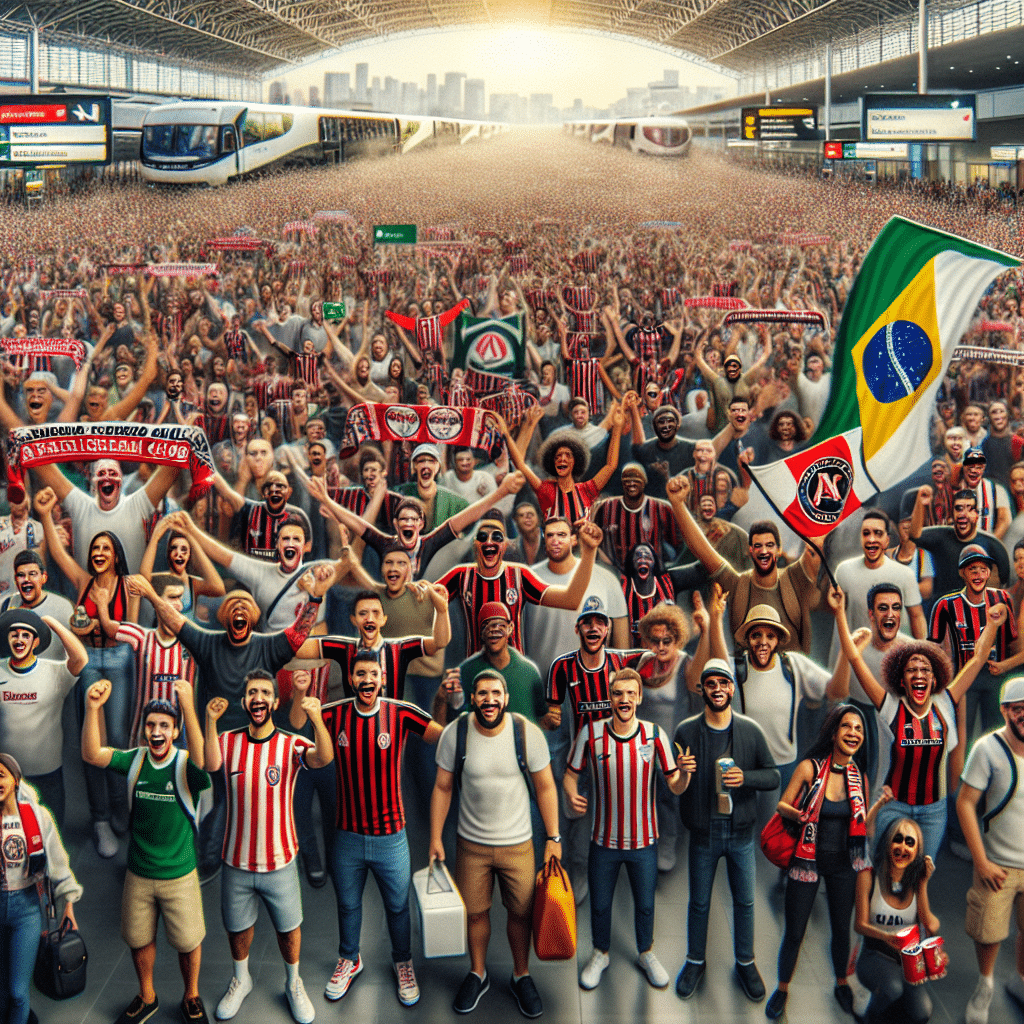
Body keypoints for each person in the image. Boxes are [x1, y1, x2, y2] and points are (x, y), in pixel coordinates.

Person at [831, 585, 1006, 861]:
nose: (919, 674)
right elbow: (854, 657)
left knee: (920, 874)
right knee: (887, 872)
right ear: (901, 680)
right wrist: (840, 611)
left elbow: (979, 657)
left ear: (935, 678)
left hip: (934, 811)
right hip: (893, 805)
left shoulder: (946, 702)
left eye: (925, 669)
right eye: (912, 669)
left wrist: (994, 624)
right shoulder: (890, 707)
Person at [314, 651, 447, 1007]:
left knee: (398, 907)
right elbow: (301, 720)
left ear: (383, 677)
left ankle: (403, 963)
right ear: (352, 679)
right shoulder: (334, 713)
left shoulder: (400, 712)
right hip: (348, 836)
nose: (367, 679)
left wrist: (442, 701)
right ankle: (350, 959)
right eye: (360, 673)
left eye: (373, 673)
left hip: (391, 837)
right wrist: (301, 699)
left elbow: (442, 737)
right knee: (347, 905)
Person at [429, 671, 562, 1019]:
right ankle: (478, 973)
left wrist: (554, 838)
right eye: (482, 694)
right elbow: (442, 787)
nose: (489, 700)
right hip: (471, 845)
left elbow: (546, 787)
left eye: (496, 693)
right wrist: (434, 838)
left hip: (519, 845)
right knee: (475, 914)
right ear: (474, 698)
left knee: (521, 914)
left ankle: (521, 975)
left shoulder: (525, 732)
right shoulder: (457, 733)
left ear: (505, 698)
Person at [204, 670, 333, 1024]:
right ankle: (241, 978)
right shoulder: (227, 741)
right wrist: (209, 720)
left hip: (280, 860)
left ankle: (293, 983)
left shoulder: (291, 745)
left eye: (264, 692)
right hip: (236, 860)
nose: (258, 698)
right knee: (237, 927)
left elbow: (324, 758)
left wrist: (317, 720)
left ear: (275, 702)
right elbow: (209, 763)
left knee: (289, 927)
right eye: (251, 693)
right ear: (244, 702)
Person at [81, 679, 209, 1024]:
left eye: (164, 725)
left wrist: (189, 707)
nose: (156, 731)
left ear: (175, 730)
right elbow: (92, 754)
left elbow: (204, 762)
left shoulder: (184, 765)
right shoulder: (135, 761)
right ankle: (147, 996)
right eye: (150, 725)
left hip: (179, 874)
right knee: (139, 938)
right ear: (143, 731)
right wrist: (93, 708)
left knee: (188, 941)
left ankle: (192, 996)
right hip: (138, 872)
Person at [565, 667, 685, 990]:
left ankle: (646, 952)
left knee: (645, 903)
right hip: (602, 841)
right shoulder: (591, 733)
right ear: (610, 697)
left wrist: (685, 775)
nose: (625, 699)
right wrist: (571, 793)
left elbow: (674, 785)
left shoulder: (654, 734)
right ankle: (600, 953)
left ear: (640, 697)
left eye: (631, 693)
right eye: (618, 693)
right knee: (600, 904)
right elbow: (570, 774)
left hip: (644, 842)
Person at [672, 658, 779, 1004]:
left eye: (724, 683)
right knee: (699, 903)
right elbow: (675, 783)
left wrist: (745, 777)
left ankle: (746, 963)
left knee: (745, 902)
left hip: (741, 835)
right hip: (703, 833)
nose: (718, 689)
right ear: (702, 688)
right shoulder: (686, 732)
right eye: (711, 684)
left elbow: (773, 776)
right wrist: (682, 772)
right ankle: (694, 961)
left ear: (733, 688)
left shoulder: (749, 730)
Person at [766, 704, 881, 1020]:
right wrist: (802, 814)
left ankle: (841, 982)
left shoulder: (859, 777)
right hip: (806, 861)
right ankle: (783, 987)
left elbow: (861, 823)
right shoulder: (810, 768)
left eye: (858, 729)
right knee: (795, 931)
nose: (853, 733)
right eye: (847, 727)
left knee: (841, 929)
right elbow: (782, 805)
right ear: (834, 733)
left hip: (844, 865)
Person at [667, 475, 821, 654]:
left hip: (791, 676)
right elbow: (702, 550)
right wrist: (678, 504)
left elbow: (816, 546)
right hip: (746, 675)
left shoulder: (795, 578)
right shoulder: (739, 584)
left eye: (769, 545)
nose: (764, 551)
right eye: (758, 546)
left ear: (779, 550)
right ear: (750, 550)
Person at [958, 676, 1024, 1024]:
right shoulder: (987, 748)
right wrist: (981, 861)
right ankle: (985, 986)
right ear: (1004, 711)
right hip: (998, 862)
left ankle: (1021, 980)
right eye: (1018, 709)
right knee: (989, 930)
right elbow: (966, 803)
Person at [0, 751, 82, 1024]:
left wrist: (68, 904)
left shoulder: (37, 817)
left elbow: (58, 863)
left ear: (16, 780)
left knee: (17, 992)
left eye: (1, 775)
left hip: (26, 910)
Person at [0, 608, 87, 826]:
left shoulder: (55, 673)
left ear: (36, 641)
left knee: (50, 839)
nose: (19, 639)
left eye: (26, 634)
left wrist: (50, 622)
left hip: (48, 775)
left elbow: (81, 658)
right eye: (14, 633)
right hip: (5, 775)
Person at [854, 818, 939, 1024]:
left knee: (922, 1012)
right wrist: (887, 936)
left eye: (910, 842)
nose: (902, 847)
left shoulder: (914, 882)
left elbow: (931, 926)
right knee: (892, 989)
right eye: (898, 840)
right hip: (874, 953)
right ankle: (869, 1015)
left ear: (917, 851)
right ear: (887, 842)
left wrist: (923, 883)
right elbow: (859, 925)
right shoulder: (869, 876)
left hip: (904, 960)